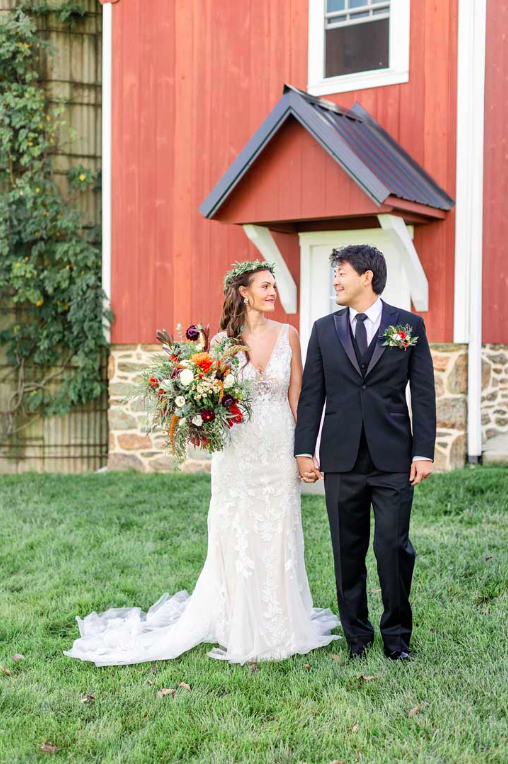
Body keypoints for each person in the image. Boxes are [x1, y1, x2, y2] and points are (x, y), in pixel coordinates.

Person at [63, 260, 340, 666]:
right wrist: (198, 417)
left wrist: (306, 450)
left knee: (279, 528)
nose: (272, 292)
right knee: (238, 530)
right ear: (244, 293)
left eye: (273, 286)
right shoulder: (222, 342)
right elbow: (211, 401)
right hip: (237, 452)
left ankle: (281, 620)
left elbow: (297, 396)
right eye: (265, 286)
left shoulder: (290, 335)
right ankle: (237, 622)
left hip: (278, 446)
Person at [295, 245, 436, 661]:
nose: (335, 281)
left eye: (341, 273)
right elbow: (312, 396)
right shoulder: (323, 329)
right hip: (340, 459)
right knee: (346, 550)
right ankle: (357, 636)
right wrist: (305, 448)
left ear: (367, 276)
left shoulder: (407, 325)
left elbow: (423, 394)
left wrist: (423, 451)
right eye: (334, 274)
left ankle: (397, 638)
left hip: (393, 457)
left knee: (393, 548)